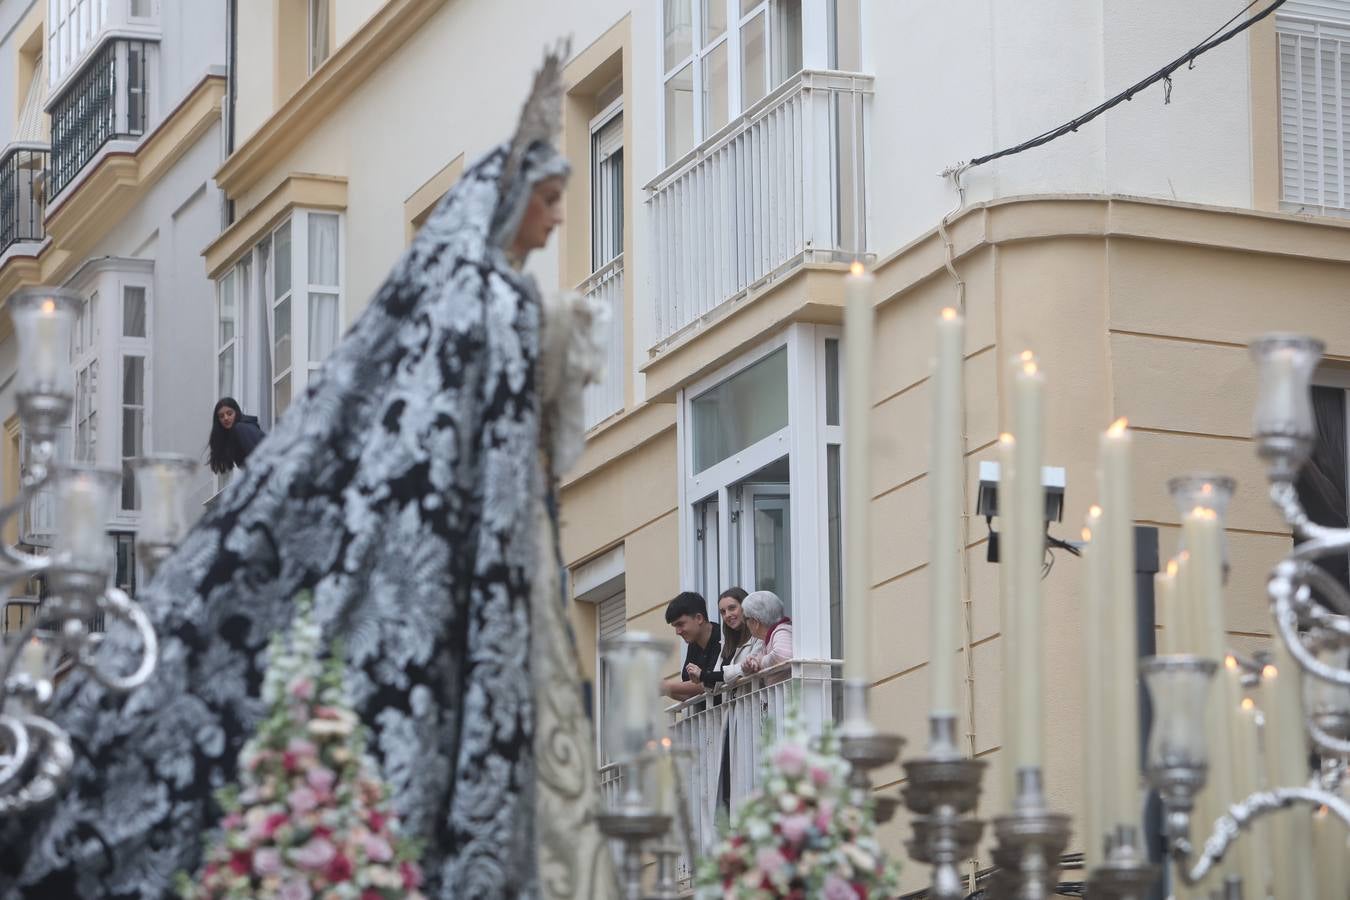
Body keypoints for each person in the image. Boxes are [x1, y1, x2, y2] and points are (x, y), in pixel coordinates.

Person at [0, 44, 616, 900]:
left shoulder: (461, 298)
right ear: (509, 202)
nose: (554, 222)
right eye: (549, 202)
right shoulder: (491, 303)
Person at [685, 587, 756, 690]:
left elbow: (745, 669)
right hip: (735, 705)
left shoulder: (759, 638)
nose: (727, 615)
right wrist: (700, 678)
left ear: (745, 607)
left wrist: (703, 675)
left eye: (732, 608)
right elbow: (716, 684)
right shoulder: (726, 644)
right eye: (723, 612)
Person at [661, 591, 720, 702]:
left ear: (699, 618)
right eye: (675, 626)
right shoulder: (693, 645)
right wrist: (664, 690)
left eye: (680, 624)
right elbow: (689, 694)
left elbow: (708, 683)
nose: (677, 632)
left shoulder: (723, 637)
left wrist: (666, 686)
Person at [206, 397, 266, 474]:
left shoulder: (241, 428)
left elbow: (260, 458)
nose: (226, 418)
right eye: (221, 416)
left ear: (236, 413)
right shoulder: (231, 438)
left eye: (229, 413)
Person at [742, 590, 792, 677]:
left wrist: (760, 662)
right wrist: (752, 664)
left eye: (745, 618)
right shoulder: (768, 639)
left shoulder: (781, 631)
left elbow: (783, 655)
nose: (745, 623)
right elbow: (762, 660)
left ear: (755, 622)